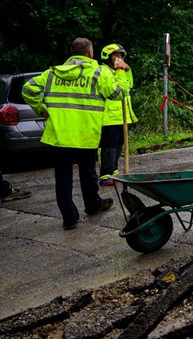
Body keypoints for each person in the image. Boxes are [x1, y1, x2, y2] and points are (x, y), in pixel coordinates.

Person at [22, 37, 124, 229]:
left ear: (72, 54)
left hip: (59, 135)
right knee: (88, 170)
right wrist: (120, 71)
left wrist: (41, 109)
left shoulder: (53, 73)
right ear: (90, 53)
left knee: (63, 175)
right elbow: (119, 93)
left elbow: (28, 89)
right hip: (85, 132)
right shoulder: (98, 73)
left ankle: (69, 218)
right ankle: (92, 205)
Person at [98, 44, 137, 186]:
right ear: (107, 57)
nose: (119, 58)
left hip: (121, 115)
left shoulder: (118, 70)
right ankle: (105, 175)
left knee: (119, 144)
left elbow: (128, 86)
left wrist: (127, 70)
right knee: (108, 146)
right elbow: (116, 90)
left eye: (121, 55)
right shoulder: (103, 71)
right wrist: (120, 70)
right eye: (116, 55)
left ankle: (114, 171)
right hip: (109, 117)